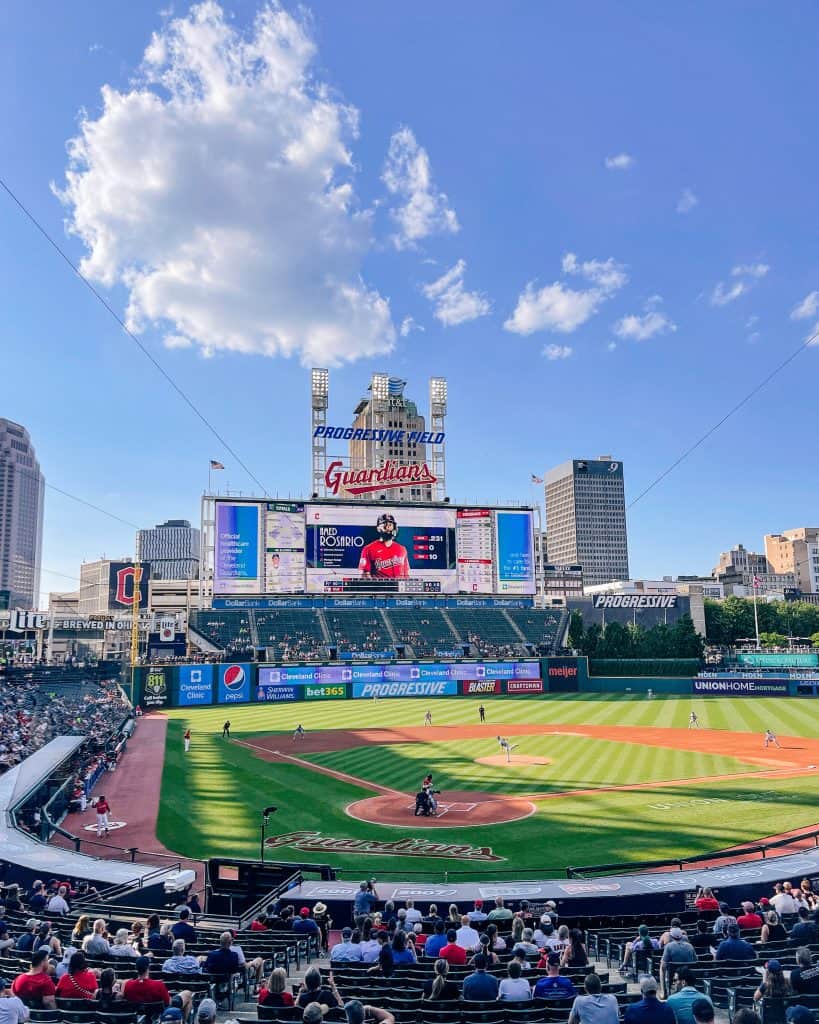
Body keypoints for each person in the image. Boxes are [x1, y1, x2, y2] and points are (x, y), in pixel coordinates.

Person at [359, 514, 409, 579]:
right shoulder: (368, 549)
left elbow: (406, 574)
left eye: (390, 525)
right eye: (385, 525)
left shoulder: (402, 549)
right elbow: (365, 575)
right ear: (379, 528)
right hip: (380, 587)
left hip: (399, 587)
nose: (388, 528)